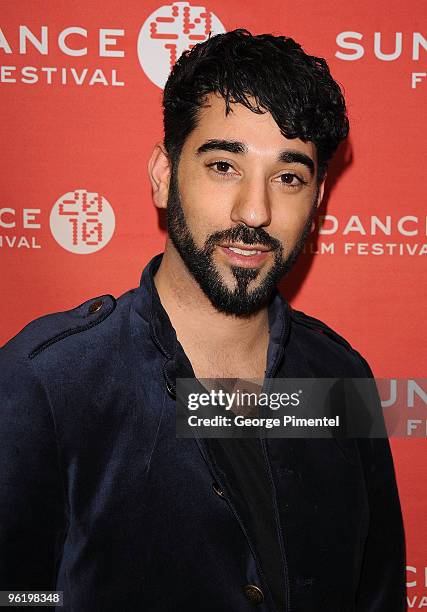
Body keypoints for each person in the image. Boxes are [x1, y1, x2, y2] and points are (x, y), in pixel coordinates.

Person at [0, 29, 406, 611]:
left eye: (288, 177)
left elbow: (377, 593)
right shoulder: (50, 382)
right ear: (165, 175)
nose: (255, 211)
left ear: (317, 201)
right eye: (223, 165)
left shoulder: (340, 377)